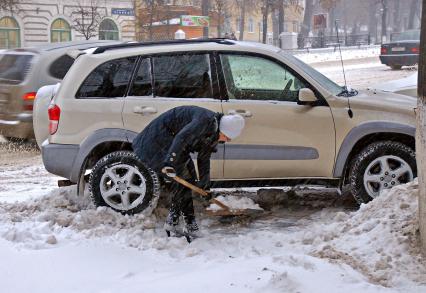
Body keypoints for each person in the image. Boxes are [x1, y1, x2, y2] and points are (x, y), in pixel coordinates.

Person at [132, 106, 245, 237]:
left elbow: (204, 159)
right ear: (223, 131)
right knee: (183, 182)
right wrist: (170, 162)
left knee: (185, 179)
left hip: (173, 144)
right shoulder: (203, 122)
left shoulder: (213, 131)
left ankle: (173, 221)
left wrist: (204, 186)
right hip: (157, 141)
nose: (227, 141)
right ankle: (190, 225)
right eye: (228, 138)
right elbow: (182, 137)